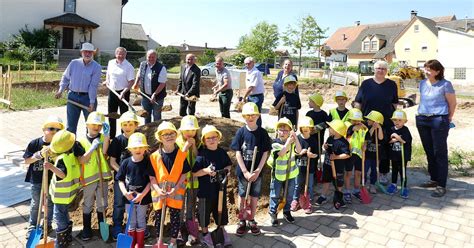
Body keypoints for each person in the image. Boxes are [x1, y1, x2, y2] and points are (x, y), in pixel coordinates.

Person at [354, 60, 398, 185]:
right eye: (378, 68)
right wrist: (357, 118)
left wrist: (394, 118)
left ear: (387, 71)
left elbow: (395, 103)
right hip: (367, 122)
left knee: (383, 149)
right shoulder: (366, 84)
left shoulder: (391, 84)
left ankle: (383, 173)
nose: (381, 70)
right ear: (374, 69)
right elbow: (358, 101)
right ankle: (363, 171)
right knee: (366, 147)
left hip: (385, 123)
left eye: (384, 69)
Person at [148, 121, 192, 247]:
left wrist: (175, 188)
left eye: (171, 133)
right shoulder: (154, 156)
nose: (169, 136)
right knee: (158, 218)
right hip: (159, 193)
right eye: (165, 134)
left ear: (176, 135)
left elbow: (184, 174)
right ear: (160, 137)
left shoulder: (181, 155)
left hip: (176, 193)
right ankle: (159, 241)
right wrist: (157, 189)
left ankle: (173, 242)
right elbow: (152, 176)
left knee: (175, 218)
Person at [416, 59, 456, 197]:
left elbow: (452, 103)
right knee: (429, 151)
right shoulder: (422, 83)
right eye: (425, 68)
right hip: (422, 119)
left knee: (439, 152)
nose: (426, 71)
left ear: (437, 71)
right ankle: (433, 179)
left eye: (429, 69)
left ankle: (441, 185)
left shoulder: (445, 84)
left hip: (438, 120)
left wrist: (448, 118)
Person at [230, 102, 271, 236]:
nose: (250, 117)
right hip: (244, 173)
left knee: (254, 197)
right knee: (243, 196)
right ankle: (242, 219)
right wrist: (245, 172)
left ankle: (252, 219)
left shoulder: (262, 133)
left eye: (253, 115)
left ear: (258, 116)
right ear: (243, 117)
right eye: (247, 115)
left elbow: (265, 152)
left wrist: (258, 170)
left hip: (257, 173)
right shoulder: (241, 132)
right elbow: (237, 153)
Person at [24, 116, 64, 238]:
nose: (54, 132)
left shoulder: (59, 145)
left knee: (49, 203)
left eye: (57, 130)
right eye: (51, 128)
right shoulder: (34, 143)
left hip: (52, 180)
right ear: (44, 129)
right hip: (36, 179)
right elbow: (27, 161)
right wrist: (39, 155)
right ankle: (32, 225)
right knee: (36, 203)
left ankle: (47, 224)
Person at [193, 125, 232, 247]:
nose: (211, 140)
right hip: (205, 191)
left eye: (214, 137)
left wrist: (226, 171)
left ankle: (221, 230)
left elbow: (228, 165)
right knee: (204, 213)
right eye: (208, 138)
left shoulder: (221, 152)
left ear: (218, 138)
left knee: (221, 211)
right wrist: (205, 171)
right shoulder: (201, 155)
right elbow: (195, 172)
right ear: (204, 141)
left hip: (220, 189)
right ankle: (205, 234)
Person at [46, 130, 85, 247]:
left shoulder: (62, 159)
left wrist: (51, 167)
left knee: (59, 218)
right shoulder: (72, 156)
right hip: (69, 194)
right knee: (64, 214)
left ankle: (61, 242)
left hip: (60, 196)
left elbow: (62, 174)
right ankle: (67, 237)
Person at [77, 112, 112, 241]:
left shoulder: (103, 137)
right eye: (93, 125)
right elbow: (82, 160)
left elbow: (104, 152)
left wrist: (107, 136)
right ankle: (87, 229)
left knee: (102, 203)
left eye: (99, 125)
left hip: (102, 177)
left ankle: (102, 225)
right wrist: (92, 148)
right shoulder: (80, 141)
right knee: (88, 203)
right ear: (87, 125)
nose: (96, 127)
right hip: (89, 179)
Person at [55, 42, 101, 134]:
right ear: (82, 53)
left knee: (91, 126)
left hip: (88, 98)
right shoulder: (74, 63)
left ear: (93, 53)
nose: (87, 54)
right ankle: (71, 147)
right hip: (73, 96)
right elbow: (66, 77)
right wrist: (60, 90)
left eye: (90, 52)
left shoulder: (96, 67)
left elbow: (93, 85)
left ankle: (88, 146)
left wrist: (92, 102)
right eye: (85, 52)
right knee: (70, 127)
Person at [116, 132, 152, 248]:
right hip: (129, 199)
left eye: (141, 147)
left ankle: (140, 244)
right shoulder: (125, 163)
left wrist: (142, 195)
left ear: (145, 148)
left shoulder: (147, 162)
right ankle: (131, 244)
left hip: (143, 198)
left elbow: (151, 181)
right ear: (130, 149)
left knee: (141, 220)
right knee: (131, 221)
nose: (138, 149)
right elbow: (120, 180)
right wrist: (125, 193)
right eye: (135, 147)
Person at [107, 111, 139, 240]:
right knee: (119, 203)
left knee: (137, 204)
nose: (128, 127)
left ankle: (137, 227)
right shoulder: (118, 140)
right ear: (121, 125)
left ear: (136, 125)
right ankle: (117, 226)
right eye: (125, 124)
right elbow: (112, 161)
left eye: (131, 124)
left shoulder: (139, 139)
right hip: (120, 180)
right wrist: (122, 173)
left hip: (137, 179)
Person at [267, 118, 301, 226]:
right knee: (275, 194)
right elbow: (281, 153)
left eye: (286, 130)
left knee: (289, 194)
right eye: (280, 130)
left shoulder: (292, 142)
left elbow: (299, 151)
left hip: (291, 174)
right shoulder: (275, 143)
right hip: (277, 175)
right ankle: (273, 212)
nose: (282, 132)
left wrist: (295, 139)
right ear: (277, 131)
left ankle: (287, 211)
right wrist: (288, 142)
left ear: (290, 131)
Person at [176, 115, 201, 244]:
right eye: (187, 130)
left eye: (192, 130)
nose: (190, 133)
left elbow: (198, 158)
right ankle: (180, 230)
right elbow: (178, 160)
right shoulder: (177, 142)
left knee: (191, 206)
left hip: (194, 180)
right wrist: (185, 147)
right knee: (180, 206)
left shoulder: (199, 142)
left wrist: (194, 146)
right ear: (181, 130)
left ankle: (191, 229)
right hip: (180, 181)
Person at [315, 120, 350, 210]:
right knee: (326, 181)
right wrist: (325, 146)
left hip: (338, 167)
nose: (329, 129)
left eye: (331, 127)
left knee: (338, 183)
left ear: (337, 130)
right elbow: (327, 146)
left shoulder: (343, 142)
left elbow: (347, 154)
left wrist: (336, 157)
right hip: (327, 165)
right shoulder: (330, 138)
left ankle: (338, 198)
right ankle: (323, 196)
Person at [104, 47, 135, 138]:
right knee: (112, 115)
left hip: (124, 93)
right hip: (113, 92)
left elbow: (131, 82)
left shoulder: (129, 66)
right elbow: (108, 74)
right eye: (118, 54)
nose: (120, 56)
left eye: (122, 54)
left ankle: (124, 136)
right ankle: (111, 137)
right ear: (115, 54)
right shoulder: (111, 63)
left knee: (124, 117)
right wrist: (107, 81)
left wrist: (124, 92)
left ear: (125, 55)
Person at [290, 117, 318, 214]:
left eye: (308, 127)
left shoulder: (313, 140)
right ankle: (295, 200)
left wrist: (312, 155)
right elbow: (294, 152)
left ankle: (307, 201)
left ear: (311, 129)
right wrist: (300, 153)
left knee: (309, 185)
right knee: (297, 185)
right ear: (300, 128)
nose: (305, 128)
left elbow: (317, 154)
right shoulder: (298, 138)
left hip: (309, 168)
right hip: (298, 168)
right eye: (303, 127)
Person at [133, 49, 168, 124]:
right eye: (149, 57)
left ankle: (156, 132)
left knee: (156, 115)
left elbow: (162, 83)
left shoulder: (161, 68)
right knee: (146, 115)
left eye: (153, 57)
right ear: (146, 57)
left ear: (156, 57)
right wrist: (136, 83)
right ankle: (147, 131)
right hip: (145, 95)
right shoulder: (143, 64)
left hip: (158, 97)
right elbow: (139, 75)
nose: (151, 59)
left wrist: (154, 94)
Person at [387, 110, 412, 198]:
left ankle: (404, 187)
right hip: (394, 155)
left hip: (403, 156)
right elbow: (388, 141)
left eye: (400, 120)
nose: (397, 122)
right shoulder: (391, 129)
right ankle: (393, 185)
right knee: (394, 170)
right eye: (395, 120)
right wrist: (393, 139)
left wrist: (396, 137)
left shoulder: (405, 130)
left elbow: (405, 141)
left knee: (402, 171)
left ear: (404, 121)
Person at [345, 108, 368, 203]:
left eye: (358, 120)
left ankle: (356, 190)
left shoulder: (363, 128)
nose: (356, 122)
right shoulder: (348, 127)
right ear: (350, 119)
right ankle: (347, 191)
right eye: (354, 120)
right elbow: (350, 131)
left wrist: (365, 145)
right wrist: (355, 127)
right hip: (349, 154)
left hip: (359, 154)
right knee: (348, 174)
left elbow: (365, 139)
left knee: (358, 173)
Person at [364, 111, 385, 194]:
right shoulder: (368, 128)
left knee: (375, 171)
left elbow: (380, 138)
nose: (367, 121)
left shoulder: (382, 130)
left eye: (369, 120)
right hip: (368, 155)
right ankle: (364, 184)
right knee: (364, 170)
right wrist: (373, 128)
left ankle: (372, 184)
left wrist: (379, 128)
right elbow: (368, 136)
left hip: (376, 156)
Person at [242, 57, 265, 126]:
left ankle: (258, 130)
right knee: (250, 114)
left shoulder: (255, 73)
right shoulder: (248, 71)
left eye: (248, 63)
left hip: (256, 97)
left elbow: (252, 87)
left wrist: (244, 96)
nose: (247, 65)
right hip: (251, 96)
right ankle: (252, 128)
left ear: (253, 63)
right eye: (245, 64)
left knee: (256, 115)